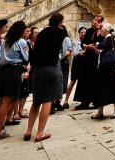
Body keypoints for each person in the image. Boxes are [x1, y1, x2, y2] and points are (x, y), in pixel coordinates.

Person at [24, 13, 66, 142]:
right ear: (60, 23)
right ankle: (40, 132)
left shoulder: (41, 33)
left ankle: (28, 130)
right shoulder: (60, 33)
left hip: (37, 69)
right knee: (47, 100)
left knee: (36, 101)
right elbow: (62, 37)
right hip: (50, 68)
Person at [0, 20, 29, 141]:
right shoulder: (21, 41)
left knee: (1, 100)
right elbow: (26, 57)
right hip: (13, 71)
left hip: (3, 71)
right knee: (7, 101)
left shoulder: (5, 41)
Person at [92, 23, 115, 120]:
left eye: (102, 29)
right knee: (101, 88)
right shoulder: (106, 38)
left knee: (113, 87)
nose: (101, 30)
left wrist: (97, 45)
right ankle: (100, 112)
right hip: (104, 68)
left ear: (105, 30)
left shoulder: (109, 38)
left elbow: (103, 46)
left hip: (109, 68)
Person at [73, 15, 104, 110]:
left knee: (95, 81)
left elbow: (99, 45)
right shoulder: (89, 31)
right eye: (94, 20)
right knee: (84, 80)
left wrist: (90, 46)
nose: (94, 22)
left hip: (96, 60)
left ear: (100, 23)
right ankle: (84, 102)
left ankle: (96, 102)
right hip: (87, 60)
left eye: (97, 21)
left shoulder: (102, 32)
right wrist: (89, 46)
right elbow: (83, 44)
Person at [63, 26, 86, 109]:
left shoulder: (86, 42)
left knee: (83, 82)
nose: (83, 33)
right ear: (79, 33)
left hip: (84, 64)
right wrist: (86, 50)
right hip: (77, 63)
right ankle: (65, 100)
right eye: (82, 32)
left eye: (84, 32)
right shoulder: (76, 42)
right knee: (73, 81)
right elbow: (77, 53)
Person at [54, 26, 72, 111]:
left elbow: (69, 51)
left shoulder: (66, 39)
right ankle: (53, 102)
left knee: (62, 82)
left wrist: (62, 58)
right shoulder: (53, 38)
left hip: (63, 62)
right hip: (55, 62)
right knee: (56, 82)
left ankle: (58, 102)